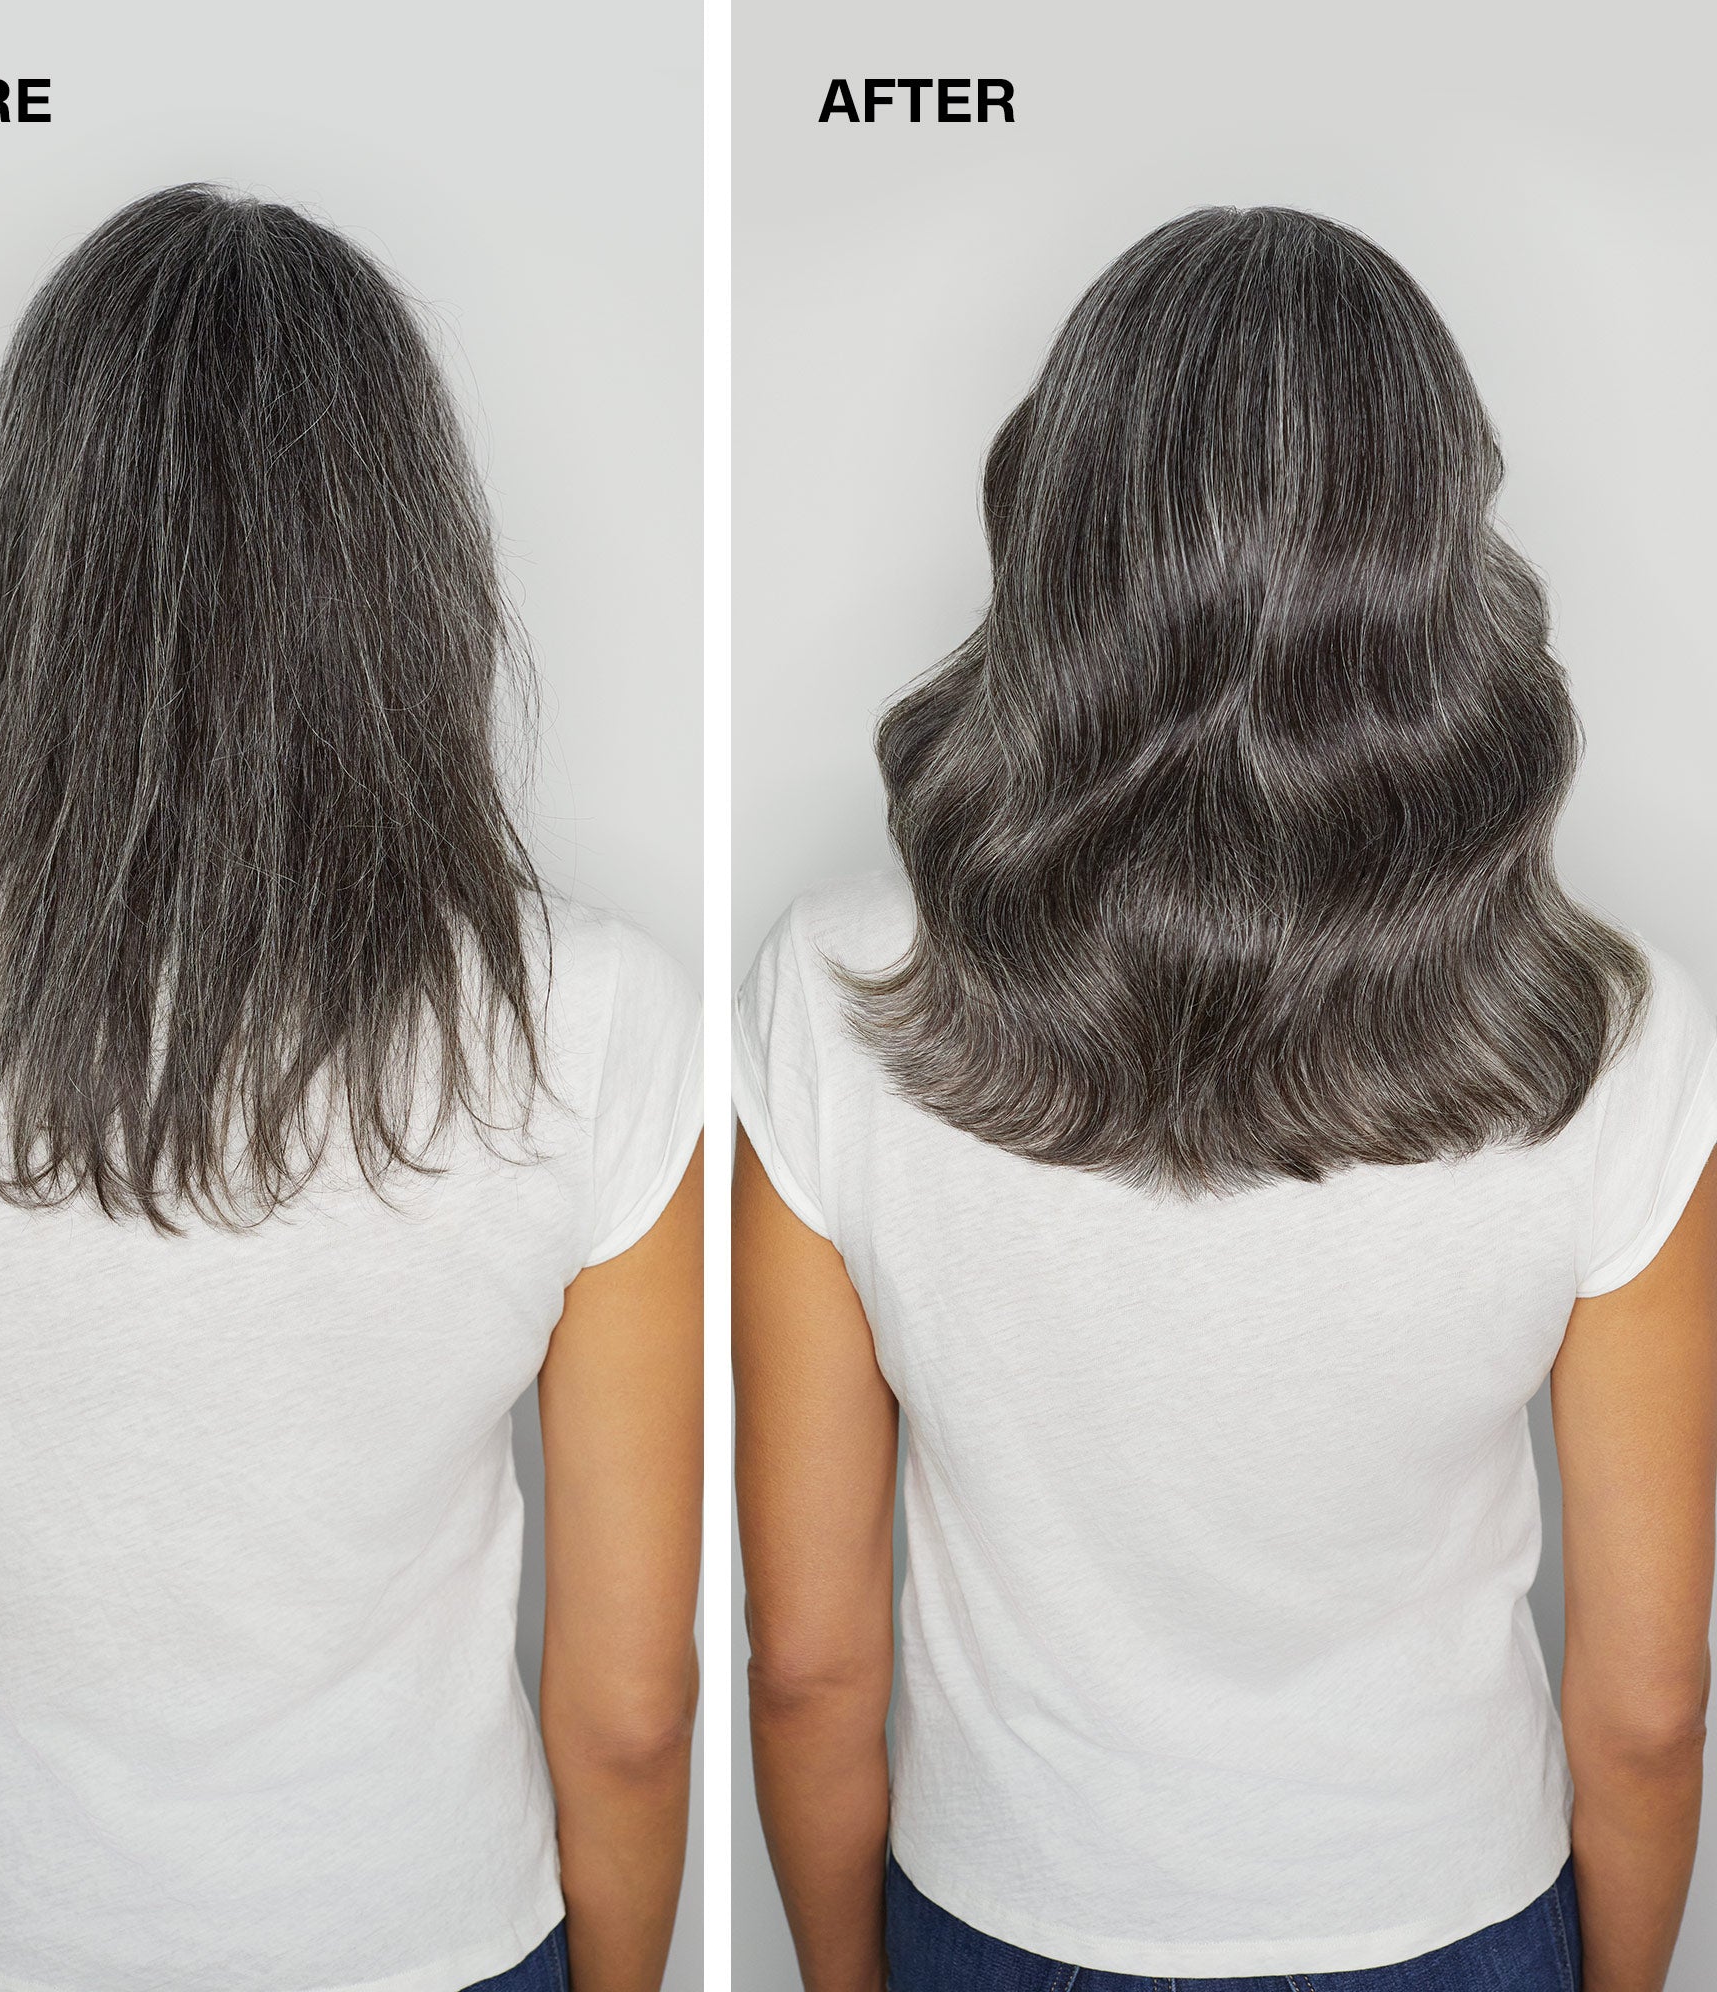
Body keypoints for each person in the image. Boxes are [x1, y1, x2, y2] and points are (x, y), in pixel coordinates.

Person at [0, 185, 702, 1992]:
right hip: (432, 1939)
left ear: (36, 542)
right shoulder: (600, 1013)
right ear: (407, 559)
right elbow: (633, 1709)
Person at [734, 205, 1714, 1992]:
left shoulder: (838, 992)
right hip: (1450, 1921)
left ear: (1064, 514)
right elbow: (1647, 1709)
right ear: (1434, 550)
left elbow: (807, 1663)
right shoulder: (1609, 1035)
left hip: (999, 1917)